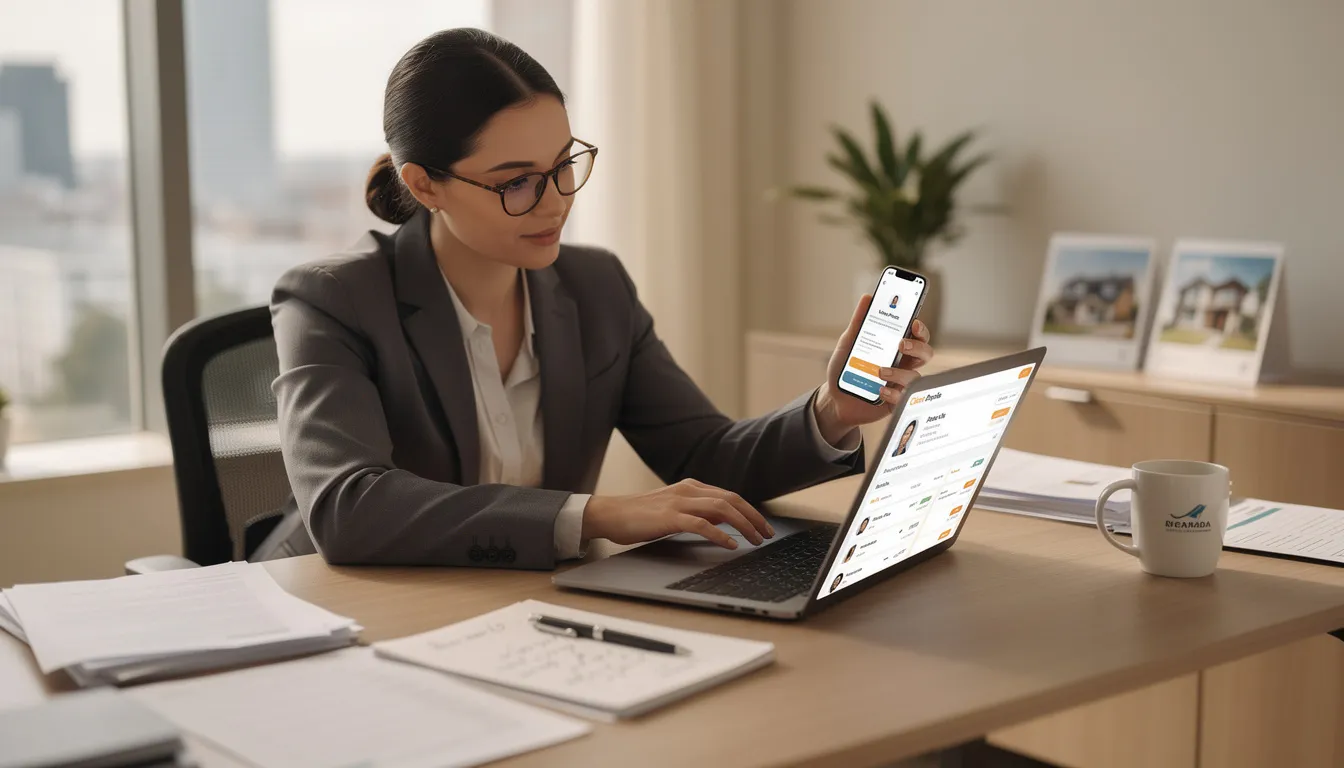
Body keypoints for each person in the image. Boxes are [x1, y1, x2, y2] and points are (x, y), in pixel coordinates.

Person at [255, 29, 933, 567]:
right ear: (425, 186)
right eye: (515, 182)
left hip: (512, 610)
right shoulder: (332, 301)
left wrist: (832, 410)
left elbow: (706, 459)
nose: (556, 203)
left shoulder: (595, 287)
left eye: (562, 167)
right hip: (331, 615)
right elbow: (349, 508)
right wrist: (594, 514)